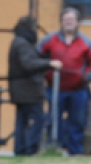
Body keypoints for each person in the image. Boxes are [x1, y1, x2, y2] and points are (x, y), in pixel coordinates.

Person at [38, 8, 91, 156]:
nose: (68, 22)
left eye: (71, 20)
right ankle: (52, 148)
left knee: (77, 121)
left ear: (77, 22)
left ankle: (75, 150)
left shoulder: (86, 41)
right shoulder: (49, 40)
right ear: (61, 21)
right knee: (53, 120)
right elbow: (38, 57)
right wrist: (46, 72)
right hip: (55, 88)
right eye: (66, 20)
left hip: (78, 90)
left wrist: (87, 76)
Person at [8, 16, 61, 156]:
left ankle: (21, 149)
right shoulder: (23, 43)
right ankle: (31, 148)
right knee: (38, 119)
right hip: (28, 89)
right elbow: (28, 64)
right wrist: (49, 63)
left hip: (20, 89)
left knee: (22, 120)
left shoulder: (19, 41)